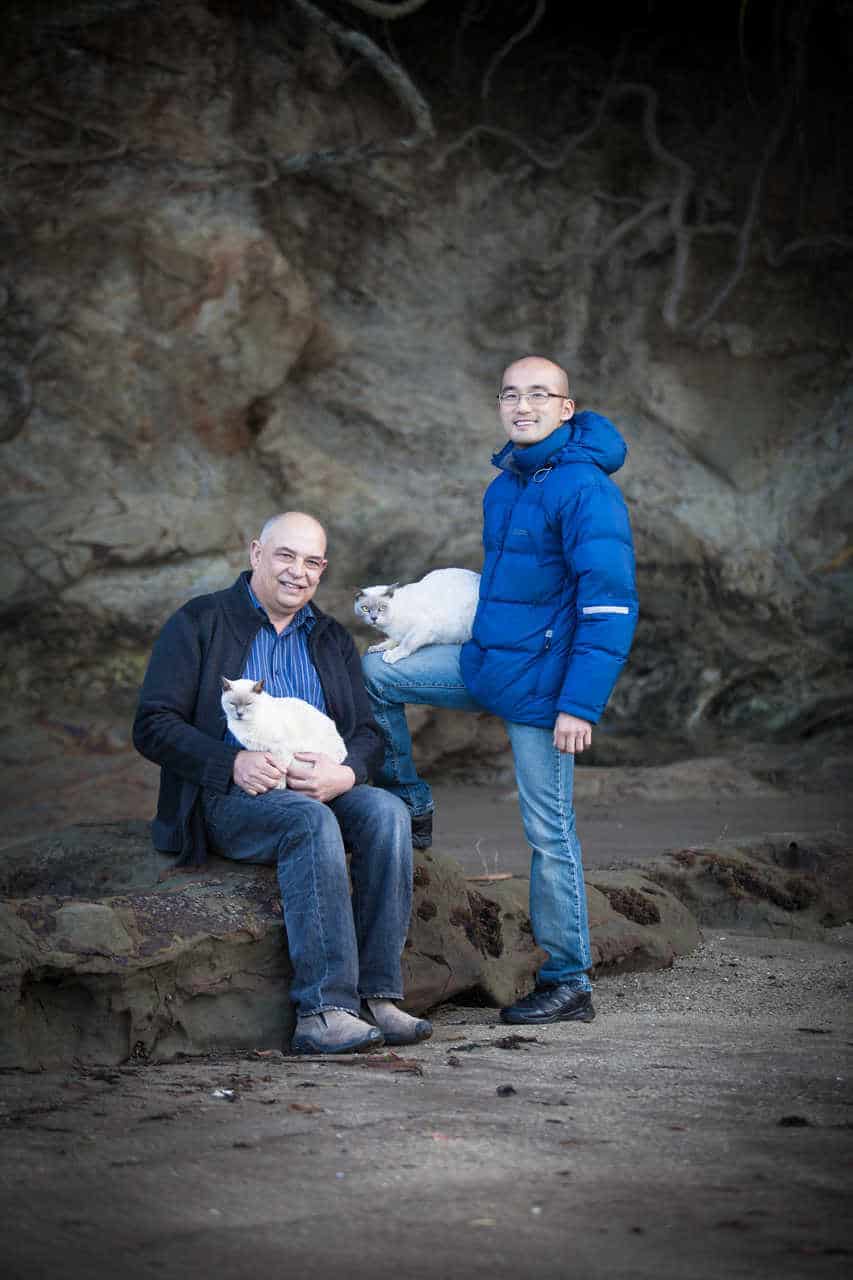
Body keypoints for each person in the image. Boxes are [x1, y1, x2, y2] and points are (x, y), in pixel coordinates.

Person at [362, 356, 638, 1026]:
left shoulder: (585, 488)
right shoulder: (506, 484)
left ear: (566, 409)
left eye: (539, 395)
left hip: (544, 688)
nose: (522, 405)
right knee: (375, 674)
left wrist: (578, 704)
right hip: (489, 665)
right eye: (511, 395)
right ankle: (410, 802)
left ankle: (569, 982)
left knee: (548, 831)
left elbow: (608, 604)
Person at [133, 511, 432, 1055]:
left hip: (320, 787)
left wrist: (345, 773)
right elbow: (152, 724)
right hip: (229, 798)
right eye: (286, 556)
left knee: (388, 813)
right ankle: (323, 1011)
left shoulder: (330, 637)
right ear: (256, 554)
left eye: (312, 562)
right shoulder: (200, 621)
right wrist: (231, 763)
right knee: (309, 821)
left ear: (323, 569)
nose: (298, 572)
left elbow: (367, 733)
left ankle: (378, 998)